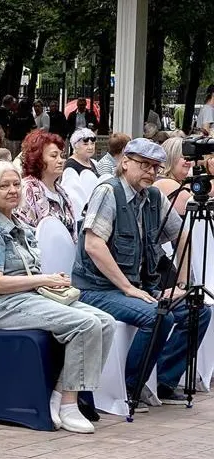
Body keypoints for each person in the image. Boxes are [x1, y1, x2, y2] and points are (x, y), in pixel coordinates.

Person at [0, 162, 115, 433]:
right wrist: (43, 279)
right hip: (3, 305)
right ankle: (69, 404)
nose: (13, 190)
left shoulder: (18, 223)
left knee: (105, 321)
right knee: (86, 324)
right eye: (4, 186)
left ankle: (61, 393)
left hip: (31, 297)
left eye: (16, 184)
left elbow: (27, 271)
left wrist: (50, 282)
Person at [73, 138, 211, 406]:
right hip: (97, 289)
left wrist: (182, 284)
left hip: (138, 287)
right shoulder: (109, 191)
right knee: (158, 317)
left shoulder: (153, 197)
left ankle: (164, 381)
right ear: (125, 162)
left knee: (198, 310)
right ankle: (129, 388)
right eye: (144, 164)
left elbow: (182, 235)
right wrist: (127, 288)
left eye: (156, 167)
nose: (150, 171)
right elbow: (93, 244)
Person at [14, 131, 76, 235]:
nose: (61, 160)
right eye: (53, 156)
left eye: (61, 155)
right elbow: (24, 233)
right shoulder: (27, 189)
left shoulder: (61, 192)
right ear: (38, 159)